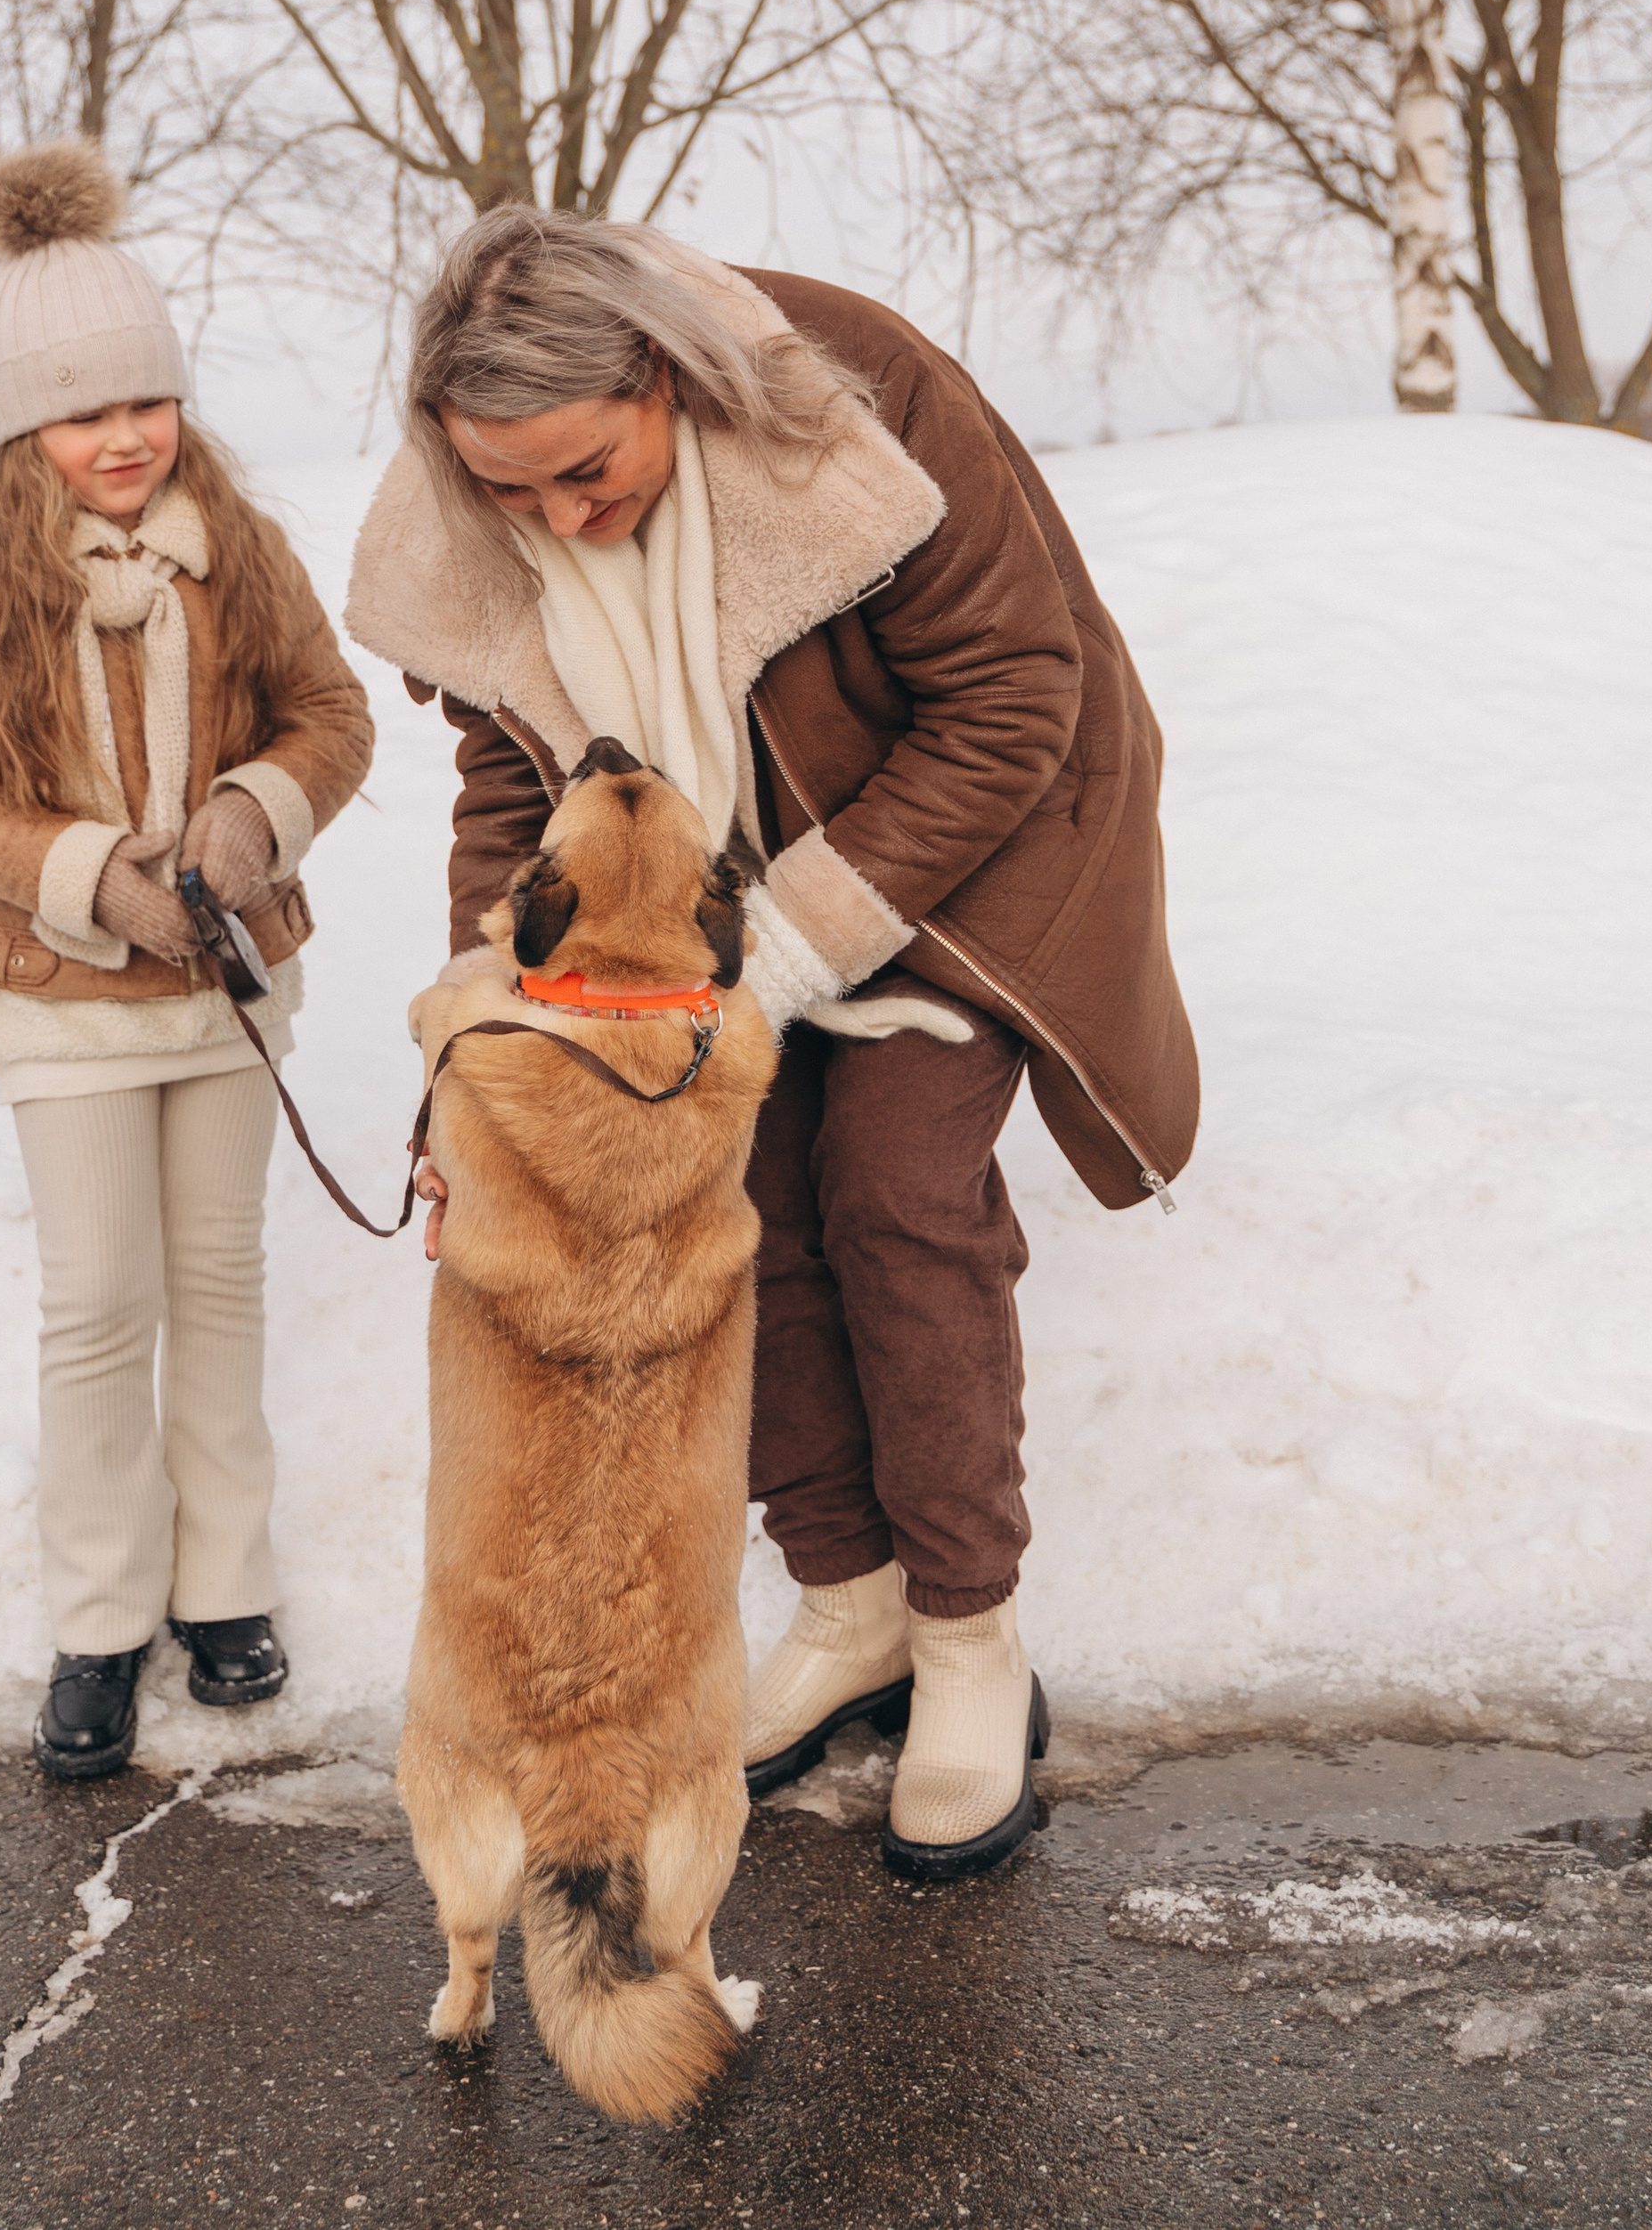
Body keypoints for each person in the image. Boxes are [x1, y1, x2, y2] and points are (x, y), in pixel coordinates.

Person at [346, 215, 1196, 1884]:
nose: (559, 521)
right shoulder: (483, 509)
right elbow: (522, 791)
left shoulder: (859, 404)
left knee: (891, 1189)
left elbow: (1015, 692)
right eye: (512, 494)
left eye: (586, 474)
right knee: (742, 1208)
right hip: (713, 892)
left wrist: (789, 953)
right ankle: (852, 1602)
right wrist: (494, 1033)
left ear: (661, 375)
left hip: (977, 834)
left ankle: (968, 1643)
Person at [0, 142, 373, 1781]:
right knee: (100, 1298)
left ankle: (224, 1589)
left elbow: (333, 712)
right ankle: (99, 1617)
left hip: (223, 984)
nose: (124, 437)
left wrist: (250, 818)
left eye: (146, 403)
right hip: (60, 994)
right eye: (86, 412)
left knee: (218, 1278)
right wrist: (94, 873)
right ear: (29, 423)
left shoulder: (234, 536)